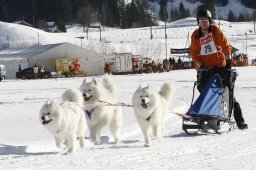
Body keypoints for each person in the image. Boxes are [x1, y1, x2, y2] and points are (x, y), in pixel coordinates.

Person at [190, 9, 248, 130]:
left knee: (228, 92)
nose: (203, 23)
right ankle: (210, 118)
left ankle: (239, 121)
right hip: (205, 69)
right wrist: (201, 66)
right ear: (198, 22)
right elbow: (194, 54)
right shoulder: (195, 35)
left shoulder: (216, 31)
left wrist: (228, 61)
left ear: (209, 21)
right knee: (205, 91)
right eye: (201, 21)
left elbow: (226, 46)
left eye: (205, 20)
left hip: (220, 67)